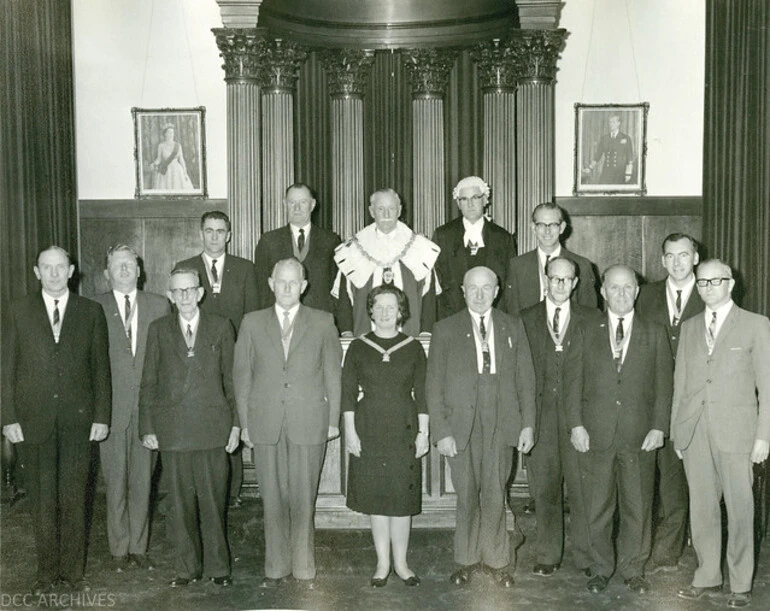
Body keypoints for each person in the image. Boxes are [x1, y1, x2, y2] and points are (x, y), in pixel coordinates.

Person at [2, 246, 111, 594]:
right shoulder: (19, 311)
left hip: (79, 423)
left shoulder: (90, 312)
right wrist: (8, 418)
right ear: (37, 272)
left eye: (59, 267)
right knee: (42, 502)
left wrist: (101, 416)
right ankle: (46, 574)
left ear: (71, 270)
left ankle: (73, 574)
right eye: (46, 268)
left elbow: (100, 370)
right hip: (33, 424)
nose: (53, 273)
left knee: (75, 499)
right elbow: (7, 369)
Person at [233, 258, 342, 589]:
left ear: (304, 286)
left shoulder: (323, 322)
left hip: (309, 422)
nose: (287, 287)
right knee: (272, 498)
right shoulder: (251, 323)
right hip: (265, 422)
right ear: (270, 283)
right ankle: (276, 568)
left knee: (303, 497)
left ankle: (304, 567)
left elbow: (333, 373)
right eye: (281, 281)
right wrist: (246, 423)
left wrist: (333, 420)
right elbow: (242, 376)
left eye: (294, 282)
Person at [427, 266, 536, 589]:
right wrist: (441, 431)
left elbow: (526, 381)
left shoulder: (512, 326)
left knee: (494, 492)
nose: (479, 294)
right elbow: (434, 386)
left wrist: (527, 425)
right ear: (462, 290)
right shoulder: (445, 329)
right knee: (466, 495)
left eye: (485, 288)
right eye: (472, 288)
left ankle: (498, 561)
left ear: (497, 290)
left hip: (502, 422)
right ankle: (466, 560)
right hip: (461, 424)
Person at [671, 259, 770, 609]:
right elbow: (680, 382)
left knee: (741, 509)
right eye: (702, 282)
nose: (708, 287)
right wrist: (676, 433)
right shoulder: (690, 326)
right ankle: (707, 575)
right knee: (702, 508)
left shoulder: (757, 325)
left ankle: (741, 584)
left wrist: (764, 436)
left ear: (731, 283)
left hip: (738, 434)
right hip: (695, 431)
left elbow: (767, 385)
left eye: (715, 281)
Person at [569, 264, 672, 595]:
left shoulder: (654, 331)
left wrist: (659, 427)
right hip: (596, 434)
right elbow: (572, 384)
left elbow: (664, 386)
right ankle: (600, 568)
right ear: (602, 291)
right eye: (614, 287)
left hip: (639, 436)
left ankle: (633, 568)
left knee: (638, 508)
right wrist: (576, 425)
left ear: (637, 291)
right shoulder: (585, 329)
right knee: (597, 506)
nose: (622, 293)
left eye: (628, 287)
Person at [138, 268, 240, 588]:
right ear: (169, 296)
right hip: (174, 432)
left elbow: (232, 381)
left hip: (213, 430)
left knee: (213, 503)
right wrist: (148, 427)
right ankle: (186, 568)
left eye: (189, 290)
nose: (184, 296)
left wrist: (236, 425)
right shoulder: (158, 329)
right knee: (180, 507)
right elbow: (149, 382)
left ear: (200, 293)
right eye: (177, 291)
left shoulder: (221, 327)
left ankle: (219, 568)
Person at [520, 257, 601, 578]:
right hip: (540, 420)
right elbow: (520, 374)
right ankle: (548, 554)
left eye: (567, 280)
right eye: (555, 279)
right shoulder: (525, 318)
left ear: (576, 283)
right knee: (545, 489)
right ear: (545, 279)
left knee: (582, 490)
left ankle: (585, 555)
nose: (560, 285)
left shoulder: (593, 318)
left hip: (579, 421)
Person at [343, 285, 429, 587]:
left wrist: (423, 432)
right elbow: (347, 394)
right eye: (378, 306)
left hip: (404, 427)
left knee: (401, 500)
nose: (384, 312)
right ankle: (382, 564)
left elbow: (424, 393)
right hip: (369, 428)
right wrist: (350, 432)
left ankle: (402, 564)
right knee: (378, 499)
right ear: (370, 310)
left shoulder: (413, 347)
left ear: (400, 311)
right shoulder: (358, 346)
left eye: (391, 307)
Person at [175, 210, 259, 506]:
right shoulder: (185, 267)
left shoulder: (245, 268)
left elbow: (252, 315)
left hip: (234, 355)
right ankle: (199, 488)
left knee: (231, 414)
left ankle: (231, 491)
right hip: (196, 358)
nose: (214, 236)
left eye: (220, 231)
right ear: (201, 234)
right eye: (209, 231)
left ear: (230, 234)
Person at [94, 244, 170, 571]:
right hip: (111, 411)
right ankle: (118, 549)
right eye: (117, 264)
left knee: (143, 482)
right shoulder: (93, 307)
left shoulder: (159, 305)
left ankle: (139, 546)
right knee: (115, 483)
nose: (124, 269)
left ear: (140, 271)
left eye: (130, 264)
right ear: (107, 272)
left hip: (148, 412)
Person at [636, 233, 704, 575]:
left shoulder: (710, 292)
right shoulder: (645, 296)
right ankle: (643, 547)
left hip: (694, 402)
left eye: (684, 255)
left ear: (695, 258)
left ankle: (667, 551)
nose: (677, 263)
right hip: (651, 400)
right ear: (662, 260)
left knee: (678, 481)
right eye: (670, 256)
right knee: (650, 479)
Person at [333, 188, 441, 337]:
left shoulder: (420, 247)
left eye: (391, 208)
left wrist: (426, 333)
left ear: (399, 210)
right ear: (371, 211)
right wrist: (346, 332)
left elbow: (428, 295)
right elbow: (345, 295)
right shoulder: (353, 249)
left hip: (410, 337)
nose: (386, 214)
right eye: (380, 209)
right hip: (365, 336)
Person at [432, 176, 516, 321]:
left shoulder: (503, 238)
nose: (470, 204)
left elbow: (510, 284)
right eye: (464, 199)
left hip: (493, 317)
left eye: (475, 197)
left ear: (485, 200)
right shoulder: (443, 235)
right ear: (458, 203)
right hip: (452, 318)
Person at [254, 182, 341, 316]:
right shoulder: (268, 241)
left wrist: (345, 328)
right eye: (292, 202)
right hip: (280, 320)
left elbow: (338, 288)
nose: (297, 208)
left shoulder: (330, 241)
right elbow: (261, 290)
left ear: (312, 205)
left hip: (319, 320)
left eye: (303, 202)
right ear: (285, 204)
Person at [504, 202, 597, 316]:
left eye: (553, 225)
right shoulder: (517, 266)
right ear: (533, 228)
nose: (547, 231)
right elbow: (512, 313)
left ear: (562, 227)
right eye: (541, 225)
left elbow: (589, 314)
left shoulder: (582, 265)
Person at [582, 113, 634, 184]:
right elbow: (598, 155)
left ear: (618, 123)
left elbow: (629, 157)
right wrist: (590, 168)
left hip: (620, 172)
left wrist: (628, 173)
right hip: (607, 171)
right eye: (610, 122)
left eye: (613, 122)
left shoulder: (625, 138)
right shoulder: (604, 138)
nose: (611, 124)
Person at [150, 124, 194, 191]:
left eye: (172, 132)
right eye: (169, 132)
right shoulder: (161, 146)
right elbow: (159, 159)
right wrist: (154, 164)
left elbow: (181, 159)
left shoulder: (178, 146)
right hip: (165, 170)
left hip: (176, 171)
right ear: (165, 134)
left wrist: (185, 172)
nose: (171, 134)